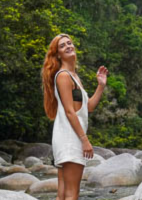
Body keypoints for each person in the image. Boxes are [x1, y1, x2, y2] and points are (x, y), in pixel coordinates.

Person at [41, 33, 108, 200]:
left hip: (69, 136)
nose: (68, 46)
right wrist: (84, 140)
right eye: (62, 46)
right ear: (58, 54)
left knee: (63, 194)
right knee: (72, 194)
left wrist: (100, 86)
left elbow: (88, 107)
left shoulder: (74, 77)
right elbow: (70, 111)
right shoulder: (63, 76)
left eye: (69, 43)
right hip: (70, 137)